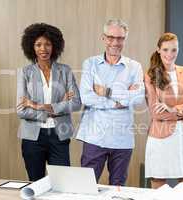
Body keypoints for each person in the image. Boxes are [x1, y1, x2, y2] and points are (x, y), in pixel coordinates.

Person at [76, 19, 145, 186]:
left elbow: (138, 98)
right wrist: (120, 100)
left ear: (125, 39)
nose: (115, 42)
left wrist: (107, 92)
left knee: (118, 187)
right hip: (94, 137)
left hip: (122, 138)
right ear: (103, 38)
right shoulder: (90, 63)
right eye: (111, 37)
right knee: (86, 186)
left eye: (120, 38)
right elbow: (86, 97)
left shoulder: (134, 67)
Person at [17, 23, 81, 181]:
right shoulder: (25, 73)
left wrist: (38, 105)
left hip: (59, 135)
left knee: (61, 182)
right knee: (35, 182)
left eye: (48, 44)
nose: (43, 49)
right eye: (38, 44)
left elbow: (76, 103)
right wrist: (54, 110)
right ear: (31, 47)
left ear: (55, 46)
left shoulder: (65, 71)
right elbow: (21, 110)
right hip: (33, 137)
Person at [144, 32, 183, 190]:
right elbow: (156, 113)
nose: (170, 54)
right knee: (159, 188)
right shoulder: (150, 76)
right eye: (166, 49)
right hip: (161, 137)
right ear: (158, 50)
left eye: (174, 50)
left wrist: (174, 109)